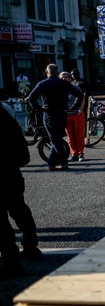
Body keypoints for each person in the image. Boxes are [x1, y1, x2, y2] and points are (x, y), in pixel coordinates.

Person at [1, 106, 42, 278]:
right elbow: (23, 154)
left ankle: (12, 261)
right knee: (19, 209)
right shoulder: (5, 112)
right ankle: (31, 246)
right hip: (11, 173)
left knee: (1, 222)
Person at [28, 64, 84, 171]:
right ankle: (52, 163)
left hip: (49, 113)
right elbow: (80, 95)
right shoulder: (64, 83)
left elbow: (32, 98)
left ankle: (63, 163)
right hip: (62, 113)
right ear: (57, 72)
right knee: (57, 138)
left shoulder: (43, 84)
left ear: (46, 72)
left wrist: (40, 108)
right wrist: (73, 107)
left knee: (54, 138)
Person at [60, 72, 86, 162]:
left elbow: (82, 98)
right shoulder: (60, 89)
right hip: (66, 115)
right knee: (70, 137)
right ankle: (74, 154)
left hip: (77, 114)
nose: (64, 79)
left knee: (79, 135)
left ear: (70, 78)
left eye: (66, 77)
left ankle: (81, 154)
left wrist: (80, 110)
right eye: (62, 77)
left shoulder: (75, 87)